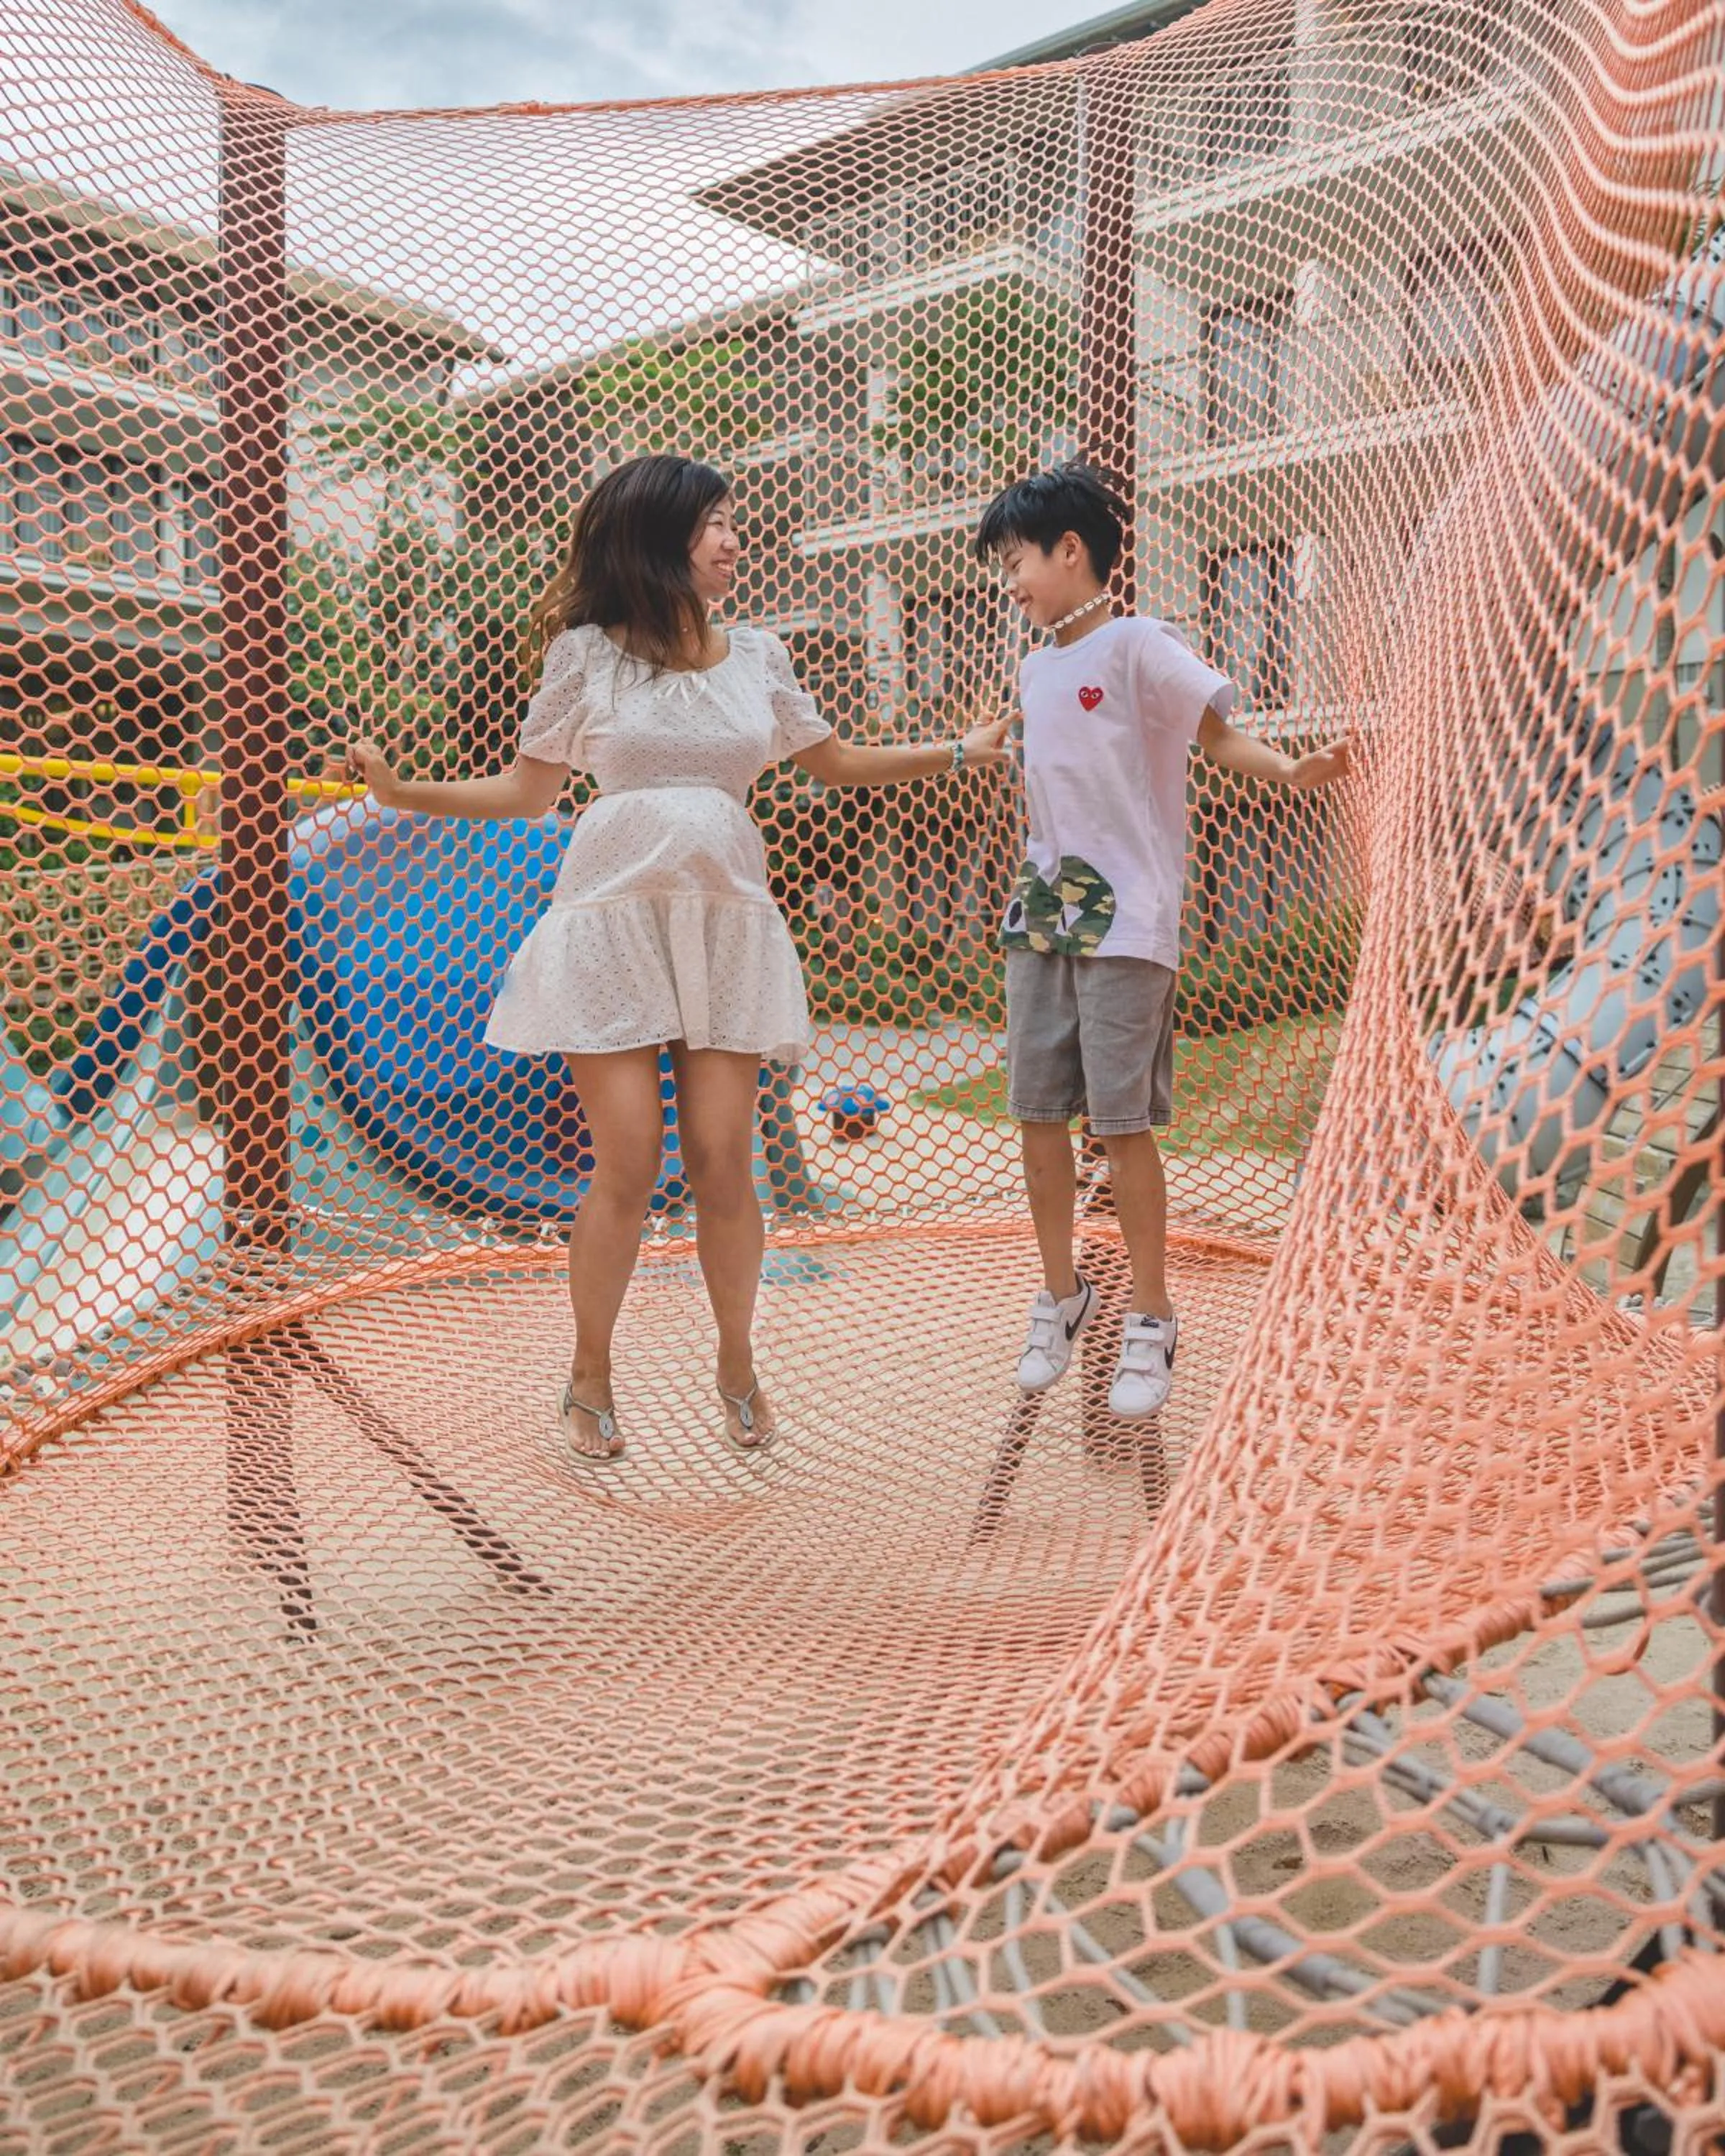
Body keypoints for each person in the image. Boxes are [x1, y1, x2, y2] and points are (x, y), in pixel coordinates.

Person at [348, 453, 1010, 1462]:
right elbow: (527, 794)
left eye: (731, 522)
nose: (732, 540)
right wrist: (403, 795)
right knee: (630, 1164)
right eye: (712, 524)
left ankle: (736, 1363)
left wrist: (959, 750)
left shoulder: (762, 657)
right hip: (609, 926)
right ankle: (590, 1372)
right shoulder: (586, 657)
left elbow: (834, 764)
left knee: (721, 1163)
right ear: (658, 538)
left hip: (726, 927)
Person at [974, 464, 1351, 1419]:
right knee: (1034, 1111)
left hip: (1129, 916)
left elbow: (1218, 736)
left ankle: (1151, 1316)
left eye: (1015, 559)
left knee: (1121, 1123)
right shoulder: (1031, 664)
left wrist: (1290, 769)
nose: (1008, 579)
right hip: (1042, 911)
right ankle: (1061, 1294)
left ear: (1071, 551)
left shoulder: (1140, 644)